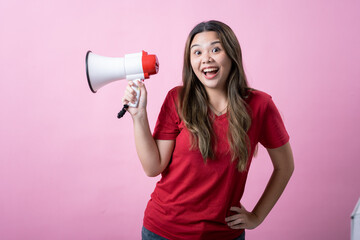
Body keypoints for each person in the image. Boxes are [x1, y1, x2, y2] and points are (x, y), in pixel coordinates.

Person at [122, 20, 294, 240]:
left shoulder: (260, 105)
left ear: (231, 55)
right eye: (197, 52)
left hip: (224, 235)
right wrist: (138, 116)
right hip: (163, 232)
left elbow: (285, 166)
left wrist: (257, 216)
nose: (206, 59)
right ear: (190, 62)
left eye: (215, 49)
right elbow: (153, 167)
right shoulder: (177, 99)